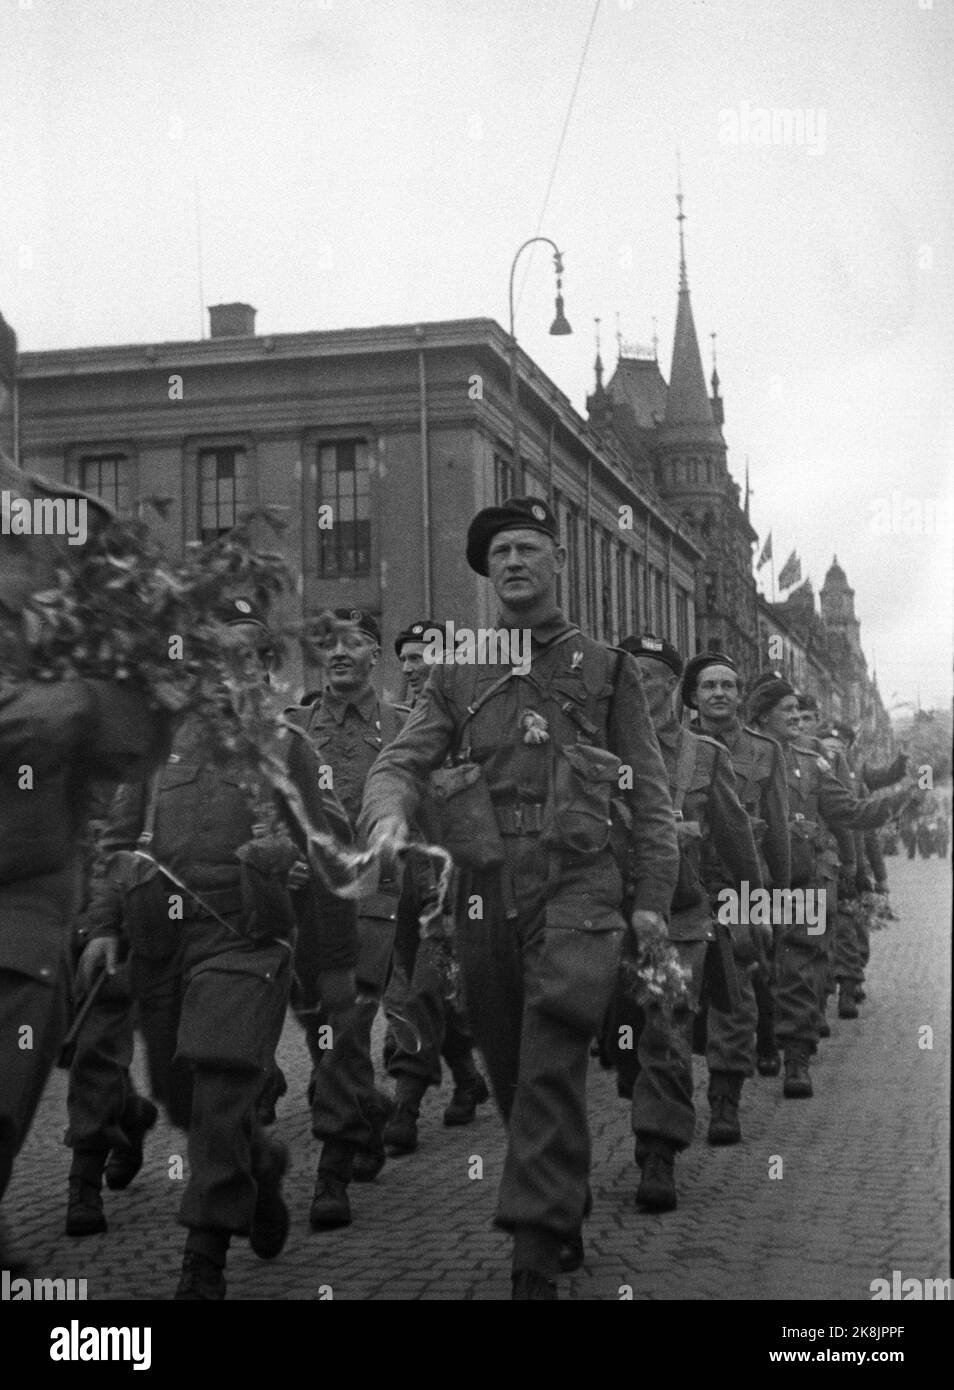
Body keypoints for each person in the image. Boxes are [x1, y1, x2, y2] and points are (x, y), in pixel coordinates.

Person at [360, 498, 679, 1299]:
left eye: (530, 548)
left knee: (548, 1061)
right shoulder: (460, 668)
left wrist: (650, 902)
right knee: (511, 1067)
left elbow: (650, 800)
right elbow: (401, 760)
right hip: (484, 889)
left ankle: (533, 1252)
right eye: (501, 551)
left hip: (580, 888)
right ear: (487, 570)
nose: (513, 562)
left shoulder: (609, 671)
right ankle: (558, 1198)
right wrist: (389, 815)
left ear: (559, 563)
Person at [74, 598, 342, 1299]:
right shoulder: (157, 747)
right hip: (161, 942)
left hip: (246, 938)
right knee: (179, 1095)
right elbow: (117, 842)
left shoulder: (288, 747)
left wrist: (295, 867)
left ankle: (205, 1254)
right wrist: (104, 928)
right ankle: (260, 1167)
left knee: (222, 1085)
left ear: (262, 667)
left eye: (247, 654)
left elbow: (329, 847)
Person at [0, 440, 167, 1268]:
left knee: (33, 1064)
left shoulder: (65, 530)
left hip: (36, 878)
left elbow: (135, 721)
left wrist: (75, 708)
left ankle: (80, 1172)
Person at [605, 636, 763, 1205]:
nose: (643, 687)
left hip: (680, 918)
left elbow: (738, 839)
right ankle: (637, 1088)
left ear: (675, 688)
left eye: (655, 678)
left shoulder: (703, 757)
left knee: (667, 1030)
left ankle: (658, 1152)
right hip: (600, 917)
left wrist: (756, 909)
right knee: (618, 1036)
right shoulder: (596, 749)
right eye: (633, 676)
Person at [287, 607, 411, 1228]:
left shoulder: (404, 728)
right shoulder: (293, 730)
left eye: (354, 643)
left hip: (377, 895)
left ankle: (330, 1171)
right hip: (309, 901)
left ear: (374, 656)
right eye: (330, 643)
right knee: (319, 1027)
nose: (339, 653)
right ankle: (368, 1110)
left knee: (349, 1020)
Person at [747, 673, 912, 1099]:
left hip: (803, 880)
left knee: (801, 966)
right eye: (788, 711)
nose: (799, 719)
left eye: (801, 713)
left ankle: (797, 1060)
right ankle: (764, 1043)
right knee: (758, 966)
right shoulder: (738, 758)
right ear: (764, 716)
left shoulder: (812, 762)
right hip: (754, 880)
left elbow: (850, 811)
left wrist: (901, 796)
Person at [381, 620, 489, 1156]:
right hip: (401, 883)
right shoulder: (391, 728)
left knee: (423, 988)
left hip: (456, 882)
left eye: (422, 655)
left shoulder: (473, 724)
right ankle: (467, 1075)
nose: (411, 666)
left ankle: (405, 1103)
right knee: (420, 988)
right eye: (404, 658)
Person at [681, 651, 790, 1115]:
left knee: (737, 987)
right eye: (709, 686)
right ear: (692, 696)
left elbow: (779, 833)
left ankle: (725, 1095)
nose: (719, 693)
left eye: (728, 685)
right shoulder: (673, 747)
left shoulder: (765, 752)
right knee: (676, 990)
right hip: (683, 882)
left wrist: (777, 902)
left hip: (740, 885)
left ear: (741, 696)